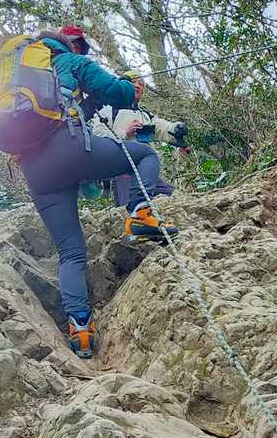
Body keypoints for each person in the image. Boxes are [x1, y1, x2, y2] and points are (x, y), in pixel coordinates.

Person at [16, 25, 178, 359]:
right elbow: (118, 93)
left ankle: (80, 330)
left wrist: (90, 101)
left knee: (71, 254)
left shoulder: (21, 77)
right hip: (70, 148)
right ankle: (140, 213)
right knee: (145, 155)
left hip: (36, 172)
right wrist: (129, 87)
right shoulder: (72, 62)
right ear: (66, 46)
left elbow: (81, 108)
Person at [92, 88, 189, 209]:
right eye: (134, 82)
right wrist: (125, 132)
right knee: (128, 208)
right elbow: (98, 136)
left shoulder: (145, 115)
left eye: (141, 83)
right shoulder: (109, 110)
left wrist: (176, 128)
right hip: (121, 170)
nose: (138, 85)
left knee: (177, 200)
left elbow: (162, 127)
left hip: (146, 170)